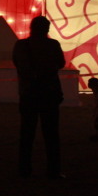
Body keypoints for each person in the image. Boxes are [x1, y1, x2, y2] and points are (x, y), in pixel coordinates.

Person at [12, 16, 67, 178]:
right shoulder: (53, 45)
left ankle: (24, 169)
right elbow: (61, 63)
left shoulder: (21, 45)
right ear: (47, 29)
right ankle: (53, 170)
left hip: (29, 93)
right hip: (49, 93)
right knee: (51, 134)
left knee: (27, 134)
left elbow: (19, 65)